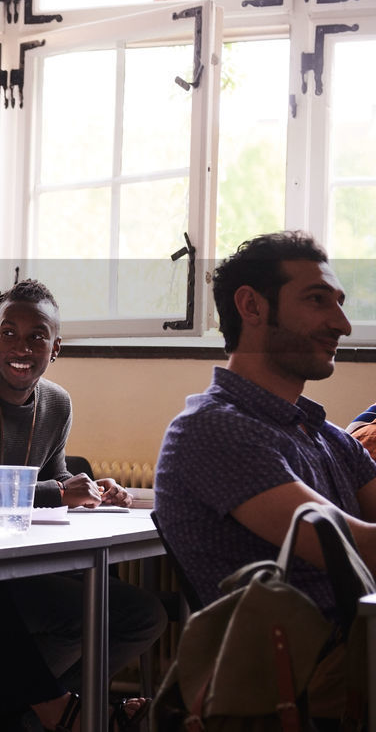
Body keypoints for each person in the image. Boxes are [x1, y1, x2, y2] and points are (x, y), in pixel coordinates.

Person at [0, 279, 165, 727]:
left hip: (16, 566)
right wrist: (61, 492)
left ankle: (36, 711)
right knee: (69, 617)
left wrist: (93, 491)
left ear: (56, 346)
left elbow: (54, 478)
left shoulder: (57, 403)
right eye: (8, 333)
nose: (20, 347)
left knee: (142, 615)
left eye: (36, 336)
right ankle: (55, 712)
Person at [155, 231, 376, 718]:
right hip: (304, 684)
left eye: (339, 303)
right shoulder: (211, 429)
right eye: (318, 301)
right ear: (252, 307)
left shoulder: (327, 435)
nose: (341, 324)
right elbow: (361, 549)